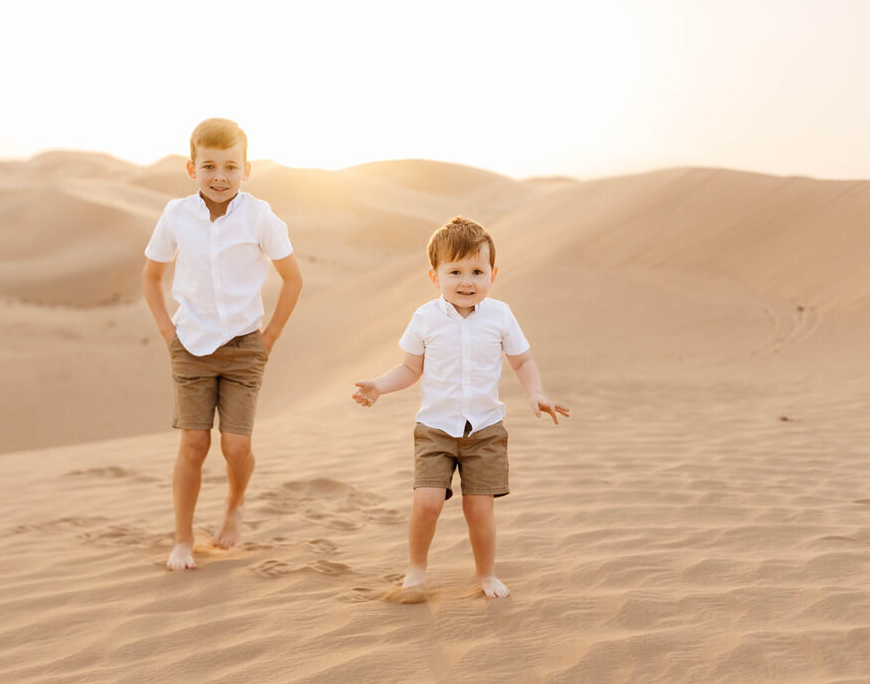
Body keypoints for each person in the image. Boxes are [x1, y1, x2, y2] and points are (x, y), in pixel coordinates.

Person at [353, 216, 568, 598]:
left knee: (479, 510)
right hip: (435, 429)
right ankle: (416, 570)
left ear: (493, 274)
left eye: (477, 271)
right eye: (455, 271)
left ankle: (486, 574)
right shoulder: (425, 318)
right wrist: (379, 387)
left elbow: (523, 362)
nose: (466, 281)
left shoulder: (500, 316)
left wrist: (535, 392)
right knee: (426, 503)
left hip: (485, 430)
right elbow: (408, 369)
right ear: (435, 276)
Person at [143, 118, 303, 571]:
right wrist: (167, 332)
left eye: (230, 166)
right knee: (193, 444)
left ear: (246, 169)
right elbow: (152, 276)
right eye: (209, 165)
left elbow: (293, 278)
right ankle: (182, 539)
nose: (219, 176)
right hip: (190, 346)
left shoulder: (260, 216)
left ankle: (235, 504)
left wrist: (268, 337)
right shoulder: (176, 215)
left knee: (235, 447)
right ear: (190, 167)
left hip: (244, 348)